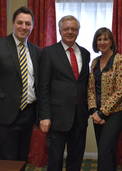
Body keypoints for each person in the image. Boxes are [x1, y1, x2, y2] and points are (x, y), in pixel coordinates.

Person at [0, 6, 42, 161]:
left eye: (28, 24)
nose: (23, 27)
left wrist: (37, 116)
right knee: (7, 163)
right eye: (20, 22)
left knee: (22, 160)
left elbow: (37, 84)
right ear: (13, 23)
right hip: (4, 116)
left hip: (28, 115)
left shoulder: (36, 51)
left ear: (32, 26)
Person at [39, 15, 90, 170]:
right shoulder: (49, 52)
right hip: (57, 116)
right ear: (60, 31)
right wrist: (45, 116)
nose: (70, 31)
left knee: (76, 158)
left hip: (80, 116)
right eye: (66, 29)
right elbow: (43, 87)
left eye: (73, 29)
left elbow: (84, 84)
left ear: (78, 31)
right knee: (55, 160)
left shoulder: (85, 53)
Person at [88, 27, 122, 171]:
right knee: (105, 151)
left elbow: (121, 90)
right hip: (97, 113)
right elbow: (90, 88)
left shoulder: (120, 60)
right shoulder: (94, 62)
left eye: (106, 39)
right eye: (99, 39)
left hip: (115, 112)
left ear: (111, 41)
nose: (102, 42)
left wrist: (102, 113)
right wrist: (94, 110)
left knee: (105, 150)